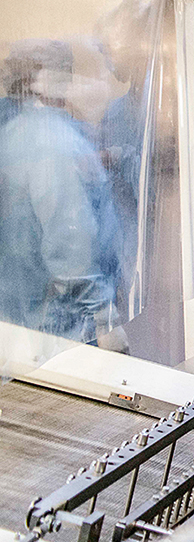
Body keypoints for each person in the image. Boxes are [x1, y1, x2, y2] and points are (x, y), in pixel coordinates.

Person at [0, 40, 119, 344]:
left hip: (23, 309)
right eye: (66, 72)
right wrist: (103, 314)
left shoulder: (16, 130)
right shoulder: (53, 141)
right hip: (59, 319)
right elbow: (69, 240)